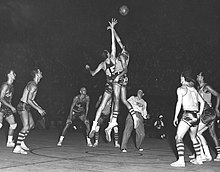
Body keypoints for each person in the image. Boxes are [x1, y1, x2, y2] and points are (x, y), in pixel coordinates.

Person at [105, 21, 139, 142]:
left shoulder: (123, 56)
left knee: (117, 99)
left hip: (120, 77)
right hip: (124, 79)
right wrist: (113, 29)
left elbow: (125, 69)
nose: (122, 45)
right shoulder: (125, 52)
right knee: (123, 100)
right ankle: (135, 117)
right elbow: (119, 41)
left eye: (124, 45)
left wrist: (118, 76)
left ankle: (113, 121)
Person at [86, 18, 117, 138]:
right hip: (116, 84)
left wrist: (89, 68)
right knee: (115, 106)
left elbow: (93, 74)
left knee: (102, 106)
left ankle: (94, 126)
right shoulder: (113, 58)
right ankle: (110, 126)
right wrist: (112, 30)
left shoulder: (102, 64)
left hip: (108, 85)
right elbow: (113, 44)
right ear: (108, 54)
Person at [170, 70, 205, 167]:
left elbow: (178, 104)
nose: (180, 80)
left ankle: (181, 160)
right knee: (194, 138)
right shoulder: (193, 89)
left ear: (184, 78)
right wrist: (199, 114)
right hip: (195, 116)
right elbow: (202, 102)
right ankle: (199, 158)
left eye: (181, 78)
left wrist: (175, 117)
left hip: (188, 114)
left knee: (178, 137)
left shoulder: (181, 89)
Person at [13, 69, 46, 154]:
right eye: (40, 72)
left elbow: (32, 100)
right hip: (23, 105)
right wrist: (38, 109)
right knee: (26, 126)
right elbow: (29, 100)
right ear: (37, 75)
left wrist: (39, 107)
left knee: (31, 125)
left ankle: (21, 141)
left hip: (26, 106)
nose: (41, 73)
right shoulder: (33, 85)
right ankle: (17, 147)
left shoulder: (34, 84)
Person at [190, 72, 220, 161]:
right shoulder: (198, 88)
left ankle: (203, 154)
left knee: (198, 132)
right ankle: (201, 153)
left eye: (198, 75)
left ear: (202, 77)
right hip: (203, 112)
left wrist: (217, 108)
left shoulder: (206, 87)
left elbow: (218, 95)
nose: (197, 76)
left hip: (208, 112)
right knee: (209, 133)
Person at [0, 70, 17, 147]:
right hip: (1, 106)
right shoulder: (5, 85)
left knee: (13, 125)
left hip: (6, 107)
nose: (15, 74)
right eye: (13, 73)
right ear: (8, 75)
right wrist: (11, 107)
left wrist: (10, 107)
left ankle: (9, 142)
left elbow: (8, 99)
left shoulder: (11, 86)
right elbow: (1, 98)